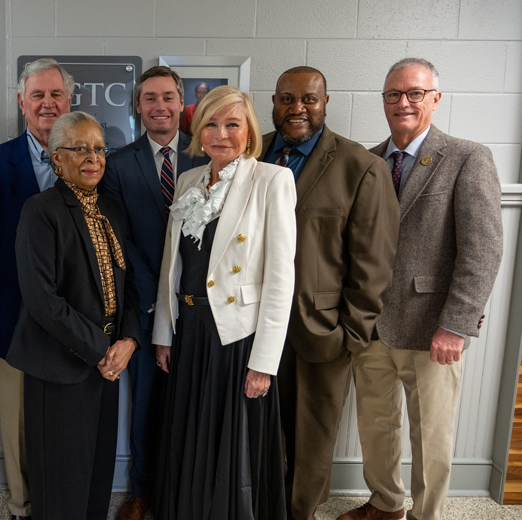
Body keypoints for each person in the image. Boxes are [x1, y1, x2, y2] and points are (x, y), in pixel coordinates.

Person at [339, 59, 503, 520]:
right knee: (376, 428)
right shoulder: (367, 161)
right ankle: (385, 504)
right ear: (384, 101)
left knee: (431, 436)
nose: (403, 102)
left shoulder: (468, 157)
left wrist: (456, 324)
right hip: (370, 326)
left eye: (414, 93)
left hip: (432, 330)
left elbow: (483, 249)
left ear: (436, 98)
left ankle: (425, 515)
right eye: (394, 94)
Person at [260, 67, 399, 520]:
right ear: (274, 102)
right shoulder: (251, 151)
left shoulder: (361, 167)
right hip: (251, 324)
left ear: (325, 102)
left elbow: (373, 264)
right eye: (286, 98)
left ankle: (297, 514)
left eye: (308, 99)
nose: (296, 108)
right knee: (258, 431)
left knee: (309, 441)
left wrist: (350, 335)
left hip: (318, 331)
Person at [152, 85, 297, 520]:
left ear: (249, 130)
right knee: (190, 434)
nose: (221, 134)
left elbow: (280, 278)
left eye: (232, 124)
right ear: (197, 130)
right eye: (211, 124)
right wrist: (164, 332)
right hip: (190, 332)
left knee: (231, 443)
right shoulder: (188, 180)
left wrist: (264, 361)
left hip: (237, 336)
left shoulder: (272, 180)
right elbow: (170, 268)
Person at [7, 111, 140, 520]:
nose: (93, 158)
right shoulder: (40, 211)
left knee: (97, 473)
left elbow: (129, 284)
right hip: (62, 365)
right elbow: (42, 299)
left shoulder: (113, 210)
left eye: (99, 149)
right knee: (62, 481)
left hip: (110, 363)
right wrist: (101, 350)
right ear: (56, 157)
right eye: (80, 148)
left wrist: (129, 341)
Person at [0, 58, 74, 520]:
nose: (47, 104)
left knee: (66, 417)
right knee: (16, 417)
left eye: (56, 95)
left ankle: (60, 498)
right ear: (21, 102)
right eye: (38, 96)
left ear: (69, 101)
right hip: (12, 317)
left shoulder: (93, 161)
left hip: (76, 320)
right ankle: (20, 504)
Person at [100, 65, 208, 520]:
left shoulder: (208, 156)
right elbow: (118, 240)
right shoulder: (118, 164)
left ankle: (185, 490)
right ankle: (143, 492)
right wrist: (152, 294)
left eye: (167, 97)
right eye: (149, 98)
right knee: (145, 406)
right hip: (144, 307)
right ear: (137, 105)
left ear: (181, 104)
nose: (158, 106)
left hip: (200, 306)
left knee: (196, 403)